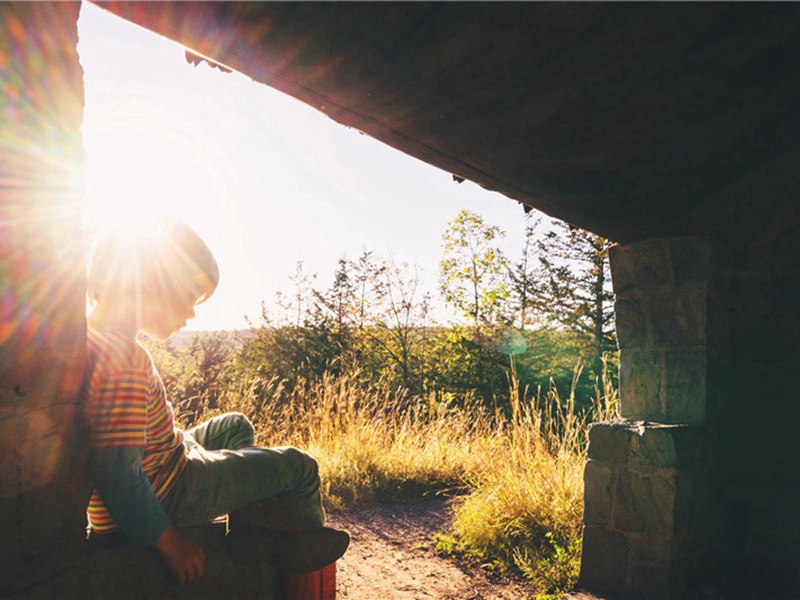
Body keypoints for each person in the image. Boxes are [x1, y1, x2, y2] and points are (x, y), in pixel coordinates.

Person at [84, 215, 348, 585]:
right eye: (189, 299)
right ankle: (296, 553)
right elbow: (118, 475)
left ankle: (251, 522)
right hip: (173, 489)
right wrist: (170, 541)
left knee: (235, 425)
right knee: (300, 468)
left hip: (162, 463)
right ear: (153, 283)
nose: (191, 315)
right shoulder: (124, 360)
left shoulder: (92, 338)